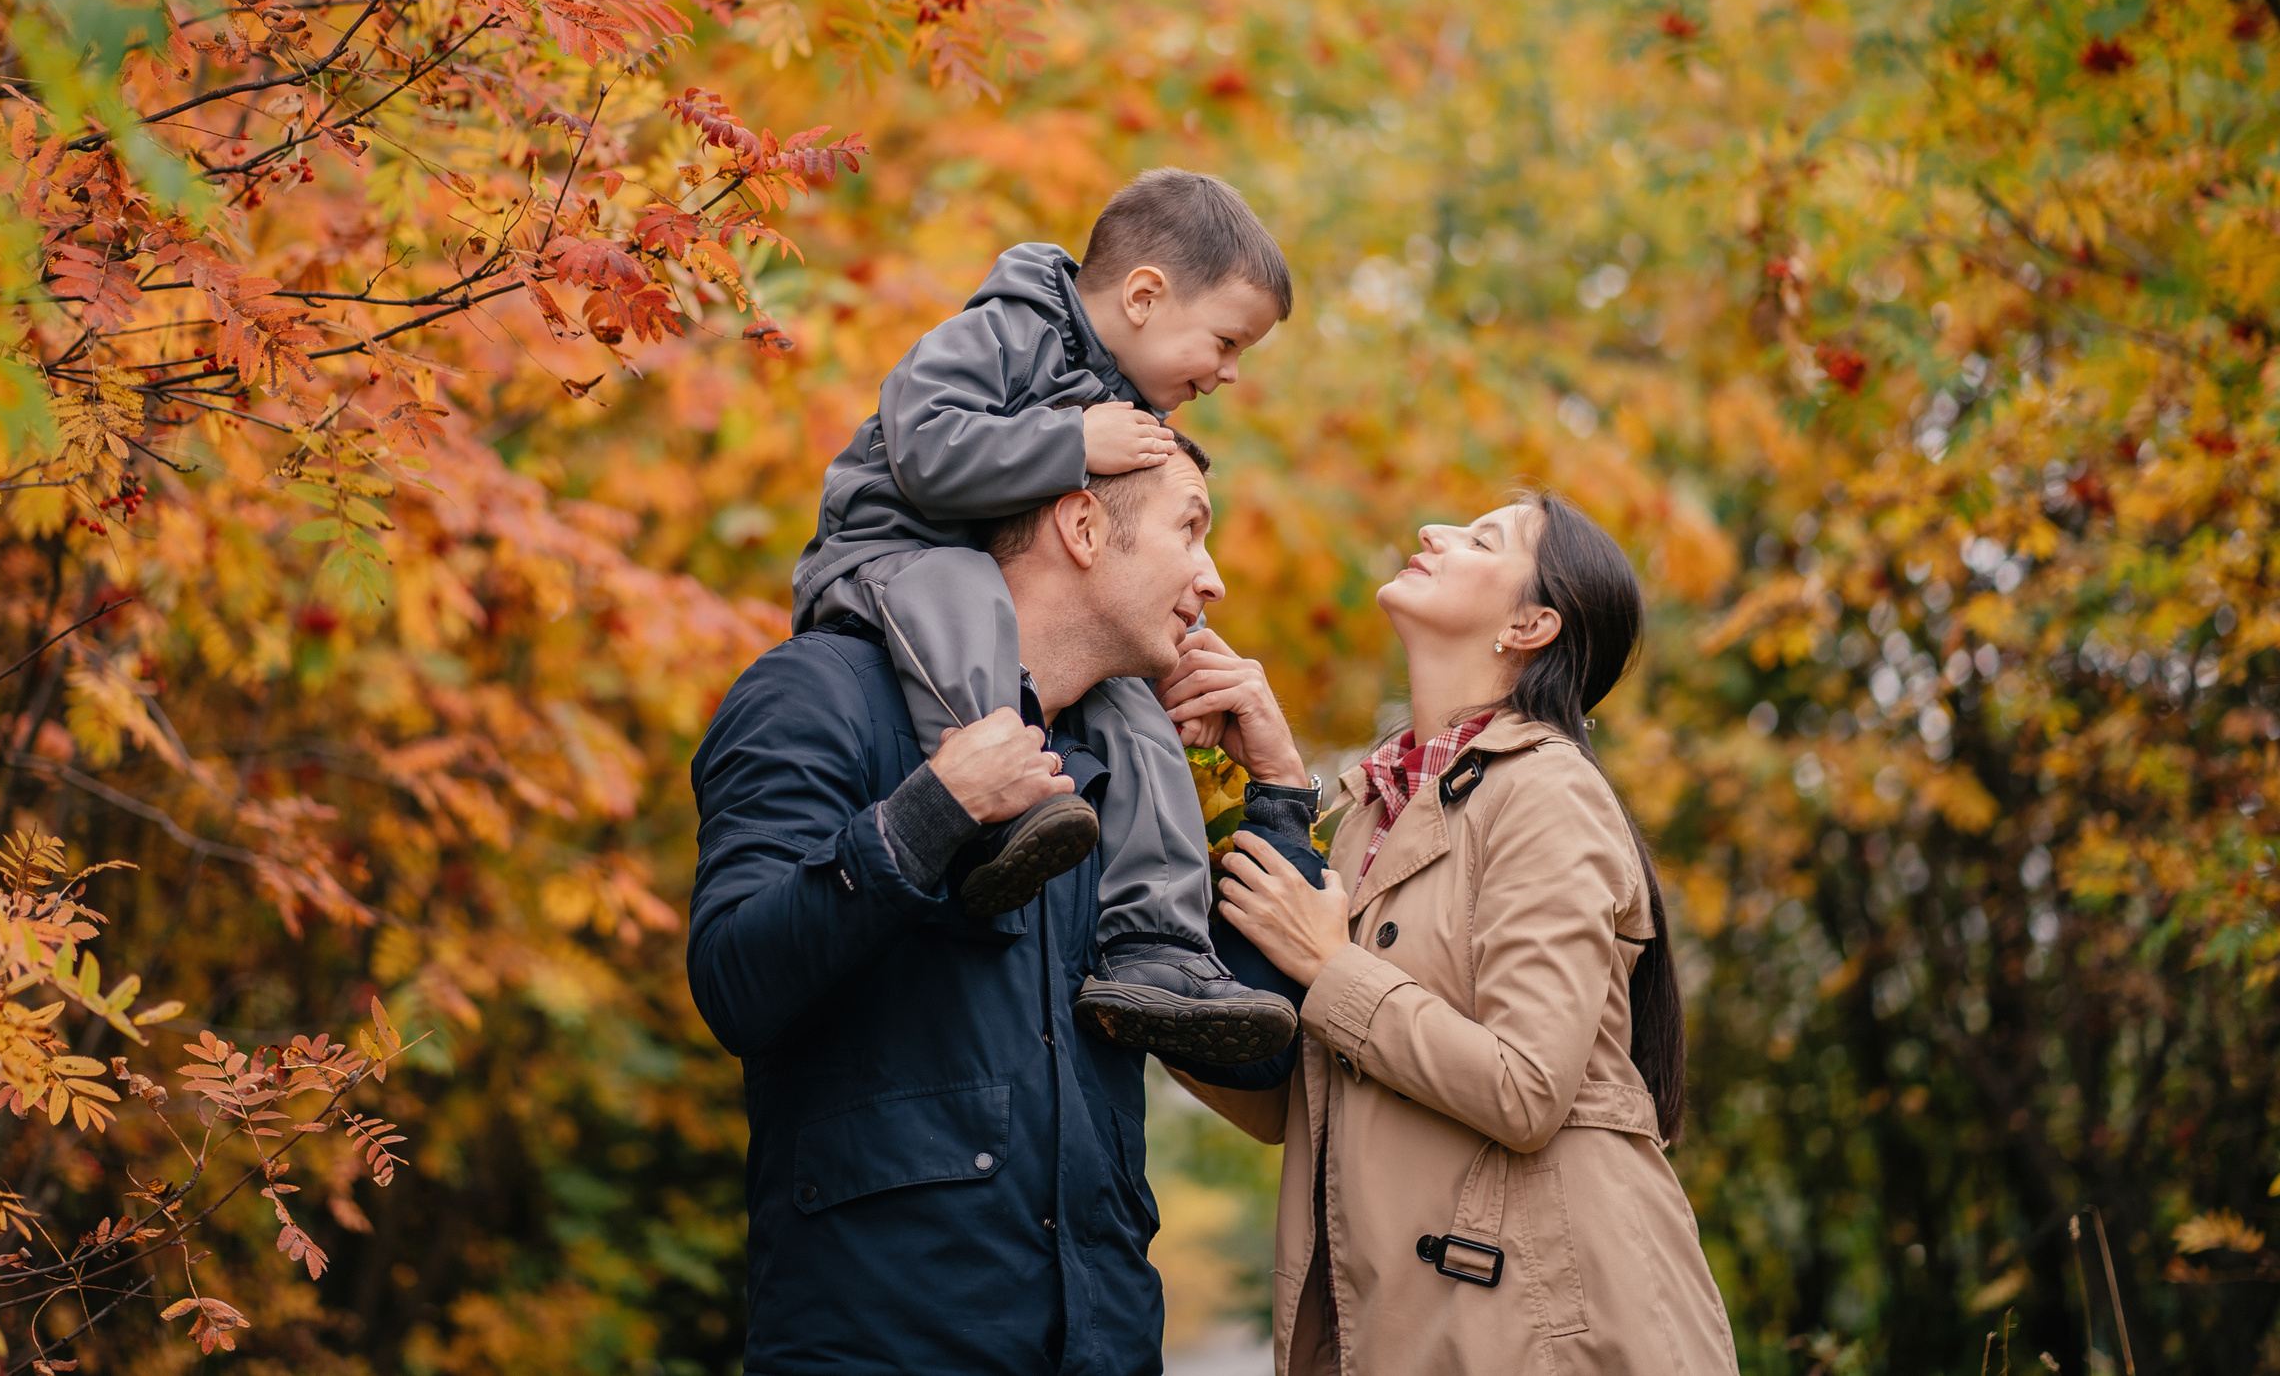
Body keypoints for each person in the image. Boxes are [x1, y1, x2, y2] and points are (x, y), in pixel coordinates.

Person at [689, 441, 1323, 1374]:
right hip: (881, 1346)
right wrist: (933, 812)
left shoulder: (1131, 773)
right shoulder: (819, 691)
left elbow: (1258, 1052)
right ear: (1082, 527)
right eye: (1190, 529)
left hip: (1104, 1345)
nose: (1213, 578)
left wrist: (1279, 792)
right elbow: (734, 982)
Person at [1162, 491, 1738, 1373]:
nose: (1432, 531)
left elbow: (1526, 1086)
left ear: (1529, 625)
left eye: (1482, 539)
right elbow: (1299, 1105)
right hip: (1404, 1329)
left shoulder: (1547, 791)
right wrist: (1157, 990)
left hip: (1552, 1336)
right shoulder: (1366, 814)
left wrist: (1328, 964)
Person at [791, 168, 1301, 1063]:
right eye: (1226, 342)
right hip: (893, 554)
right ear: (1143, 296)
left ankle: (1159, 943)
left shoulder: (1129, 399)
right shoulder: (1006, 330)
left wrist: (1171, 644)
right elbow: (921, 447)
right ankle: (994, 816)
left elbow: (1119, 553)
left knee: (1134, 710)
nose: (1228, 372)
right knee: (963, 583)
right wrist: (1072, 441)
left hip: (1001, 596)